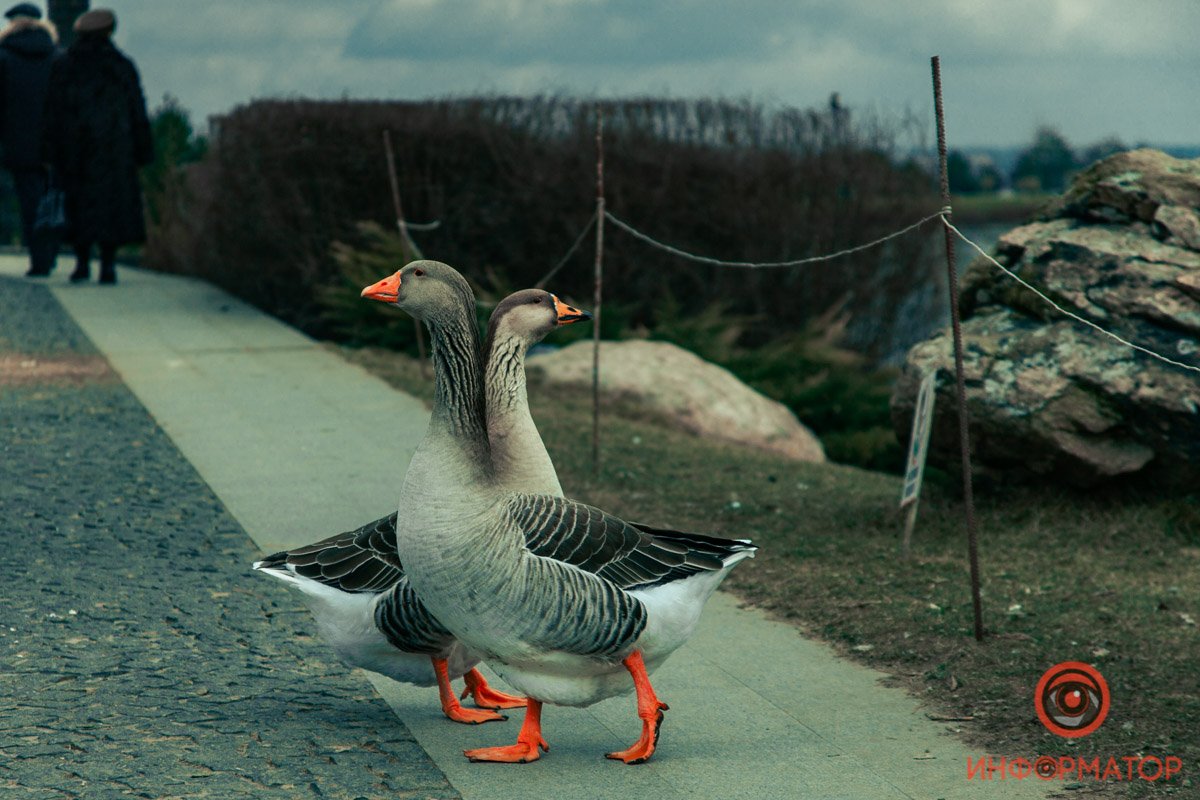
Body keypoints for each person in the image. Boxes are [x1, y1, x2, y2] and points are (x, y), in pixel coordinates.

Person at [42, 7, 152, 285]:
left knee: (78, 204)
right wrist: (142, 149)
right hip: (114, 149)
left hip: (74, 149)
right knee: (111, 207)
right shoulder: (121, 66)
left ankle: (81, 263)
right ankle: (107, 263)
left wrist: (49, 149)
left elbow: (52, 111)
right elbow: (137, 109)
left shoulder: (64, 65)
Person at [0, 3, 60, 277]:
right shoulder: (57, 56)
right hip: (54, 142)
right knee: (53, 198)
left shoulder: (3, 57)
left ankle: (39, 259)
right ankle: (52, 250)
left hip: (18, 141)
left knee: (28, 201)